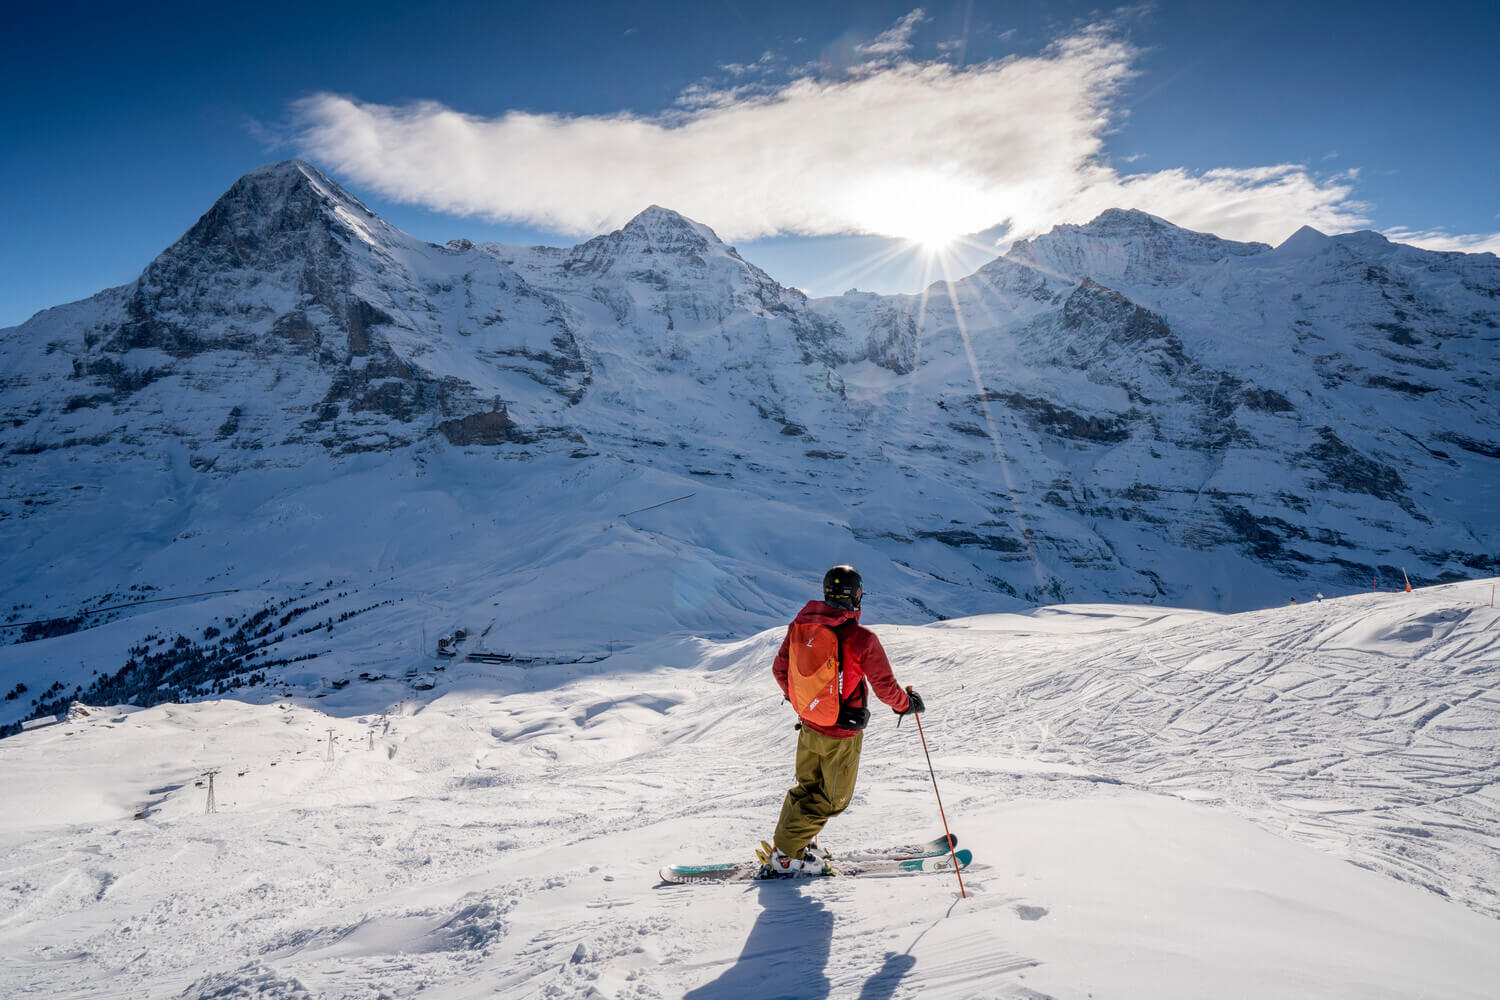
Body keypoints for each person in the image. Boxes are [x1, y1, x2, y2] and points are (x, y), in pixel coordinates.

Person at [760, 565, 924, 876]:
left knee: (807, 790)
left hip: (809, 726)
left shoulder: (800, 627)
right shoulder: (862, 639)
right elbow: (885, 688)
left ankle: (792, 846)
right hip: (840, 735)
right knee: (833, 800)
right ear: (857, 596)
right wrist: (907, 705)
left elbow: (780, 670)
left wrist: (805, 702)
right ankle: (786, 856)